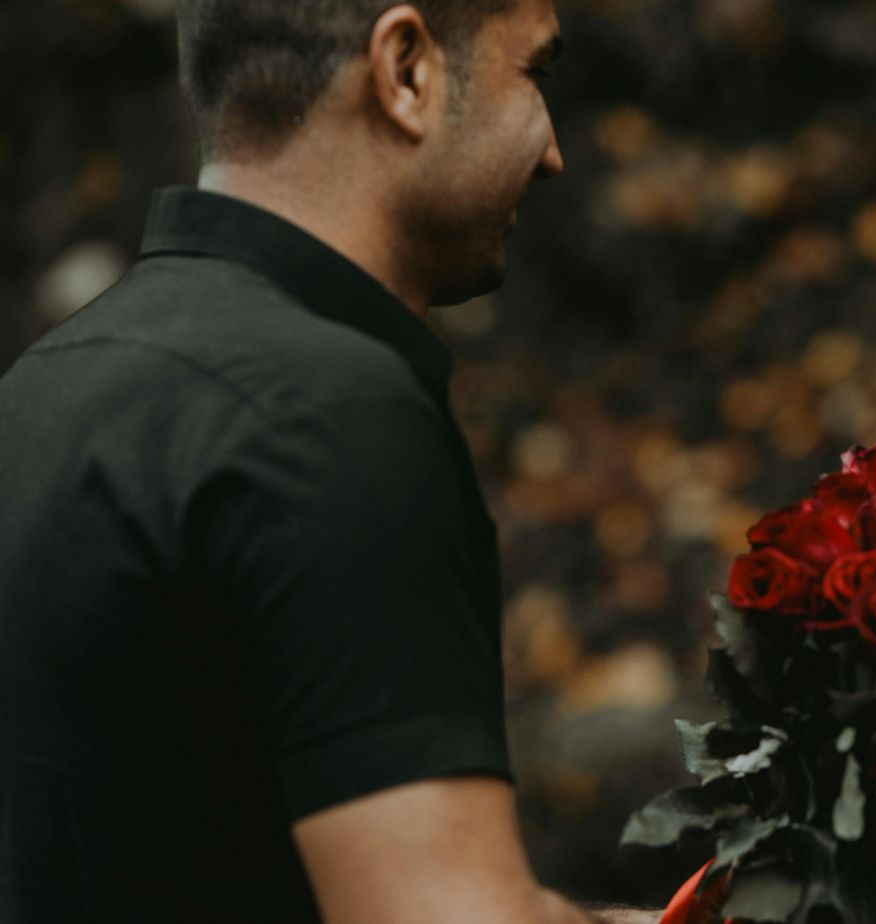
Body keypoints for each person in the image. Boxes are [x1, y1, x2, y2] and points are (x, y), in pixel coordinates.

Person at [0, 2, 651, 922]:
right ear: (406, 70)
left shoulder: (41, 386)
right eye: (533, 75)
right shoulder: (330, 409)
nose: (552, 150)